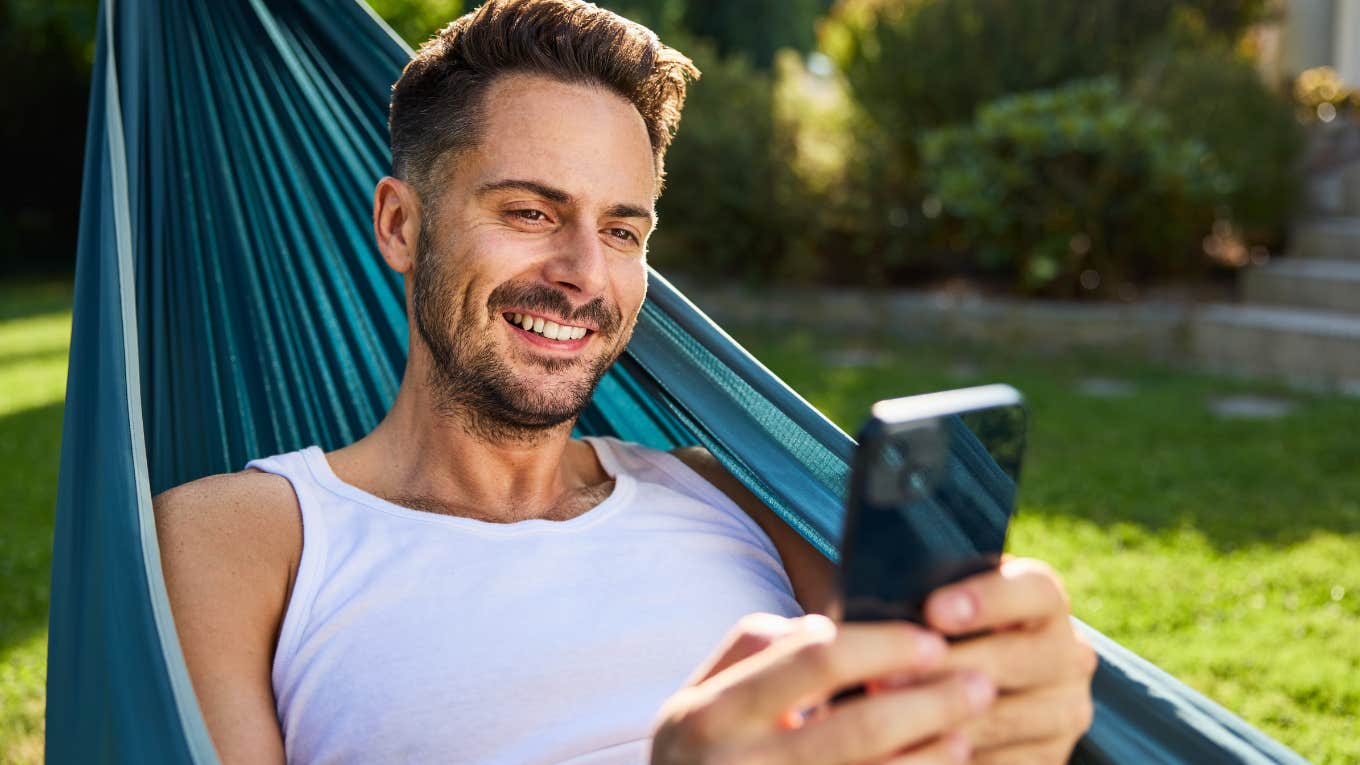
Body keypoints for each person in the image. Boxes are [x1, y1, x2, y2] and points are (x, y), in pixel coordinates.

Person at [152, 1, 1096, 763]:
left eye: (622, 231)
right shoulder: (245, 536)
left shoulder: (725, 486)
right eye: (530, 210)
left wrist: (1007, 699)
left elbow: (919, 712)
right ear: (400, 224)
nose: (584, 274)